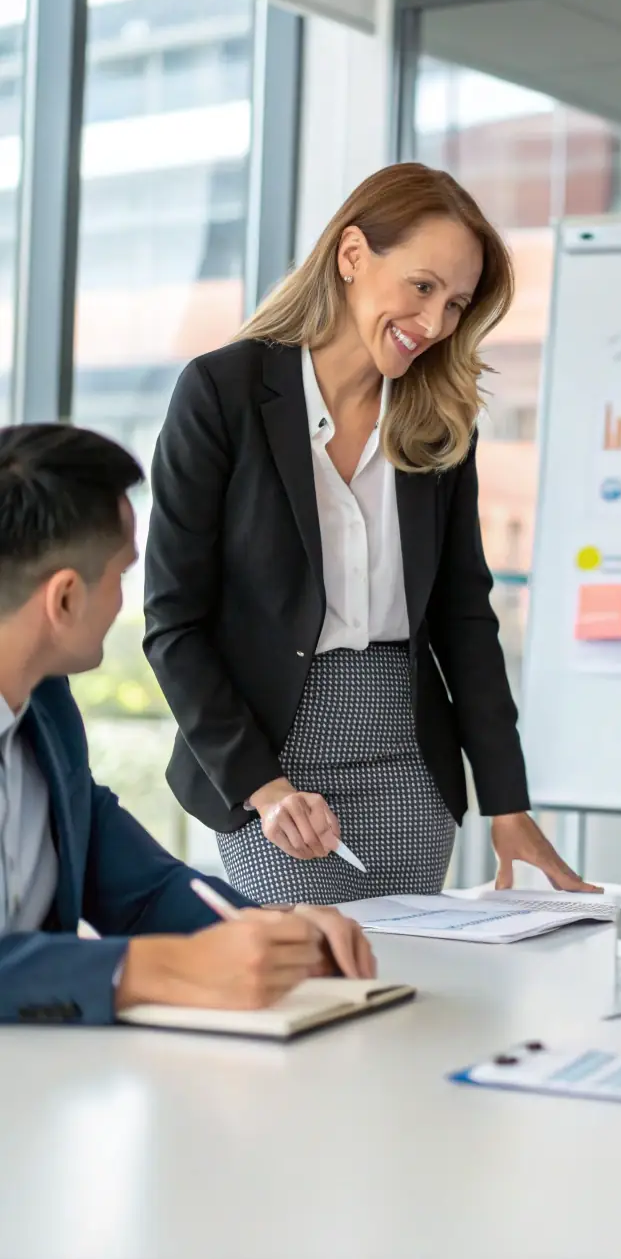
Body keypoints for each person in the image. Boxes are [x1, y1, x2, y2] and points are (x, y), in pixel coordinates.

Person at [143, 161, 594, 905]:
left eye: (456, 304)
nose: (435, 323)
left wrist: (507, 803)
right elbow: (173, 624)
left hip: (411, 770)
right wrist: (263, 785)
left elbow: (464, 620)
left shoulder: (441, 421)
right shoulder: (222, 394)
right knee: (310, 981)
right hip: (273, 770)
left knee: (410, 992)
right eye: (422, 287)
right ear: (352, 256)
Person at [0, 423, 375, 1026]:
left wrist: (273, 929)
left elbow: (142, 888)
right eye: (123, 576)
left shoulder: (43, 707)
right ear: (65, 599)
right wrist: (159, 970)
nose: (129, 600)